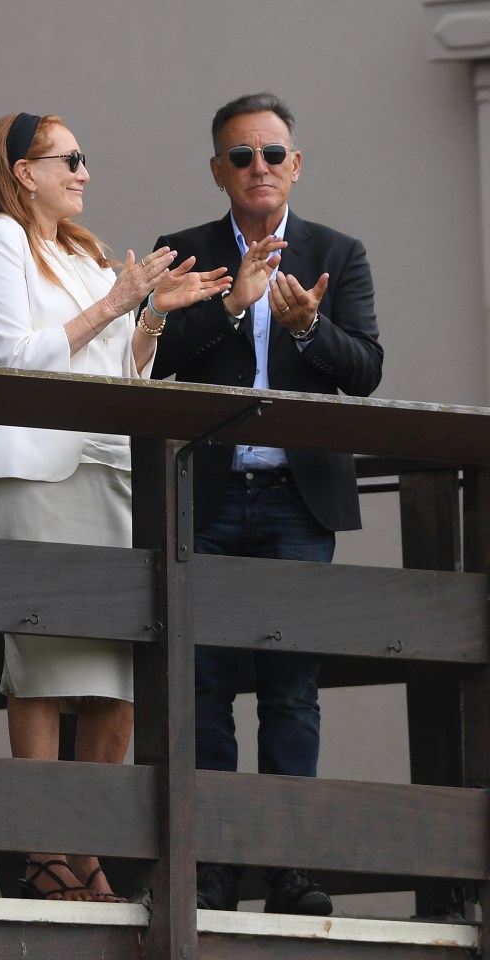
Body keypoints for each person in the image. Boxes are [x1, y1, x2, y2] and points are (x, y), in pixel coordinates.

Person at [0, 112, 231, 903]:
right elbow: (13, 360)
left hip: (111, 467)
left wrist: (149, 316)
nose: (82, 171)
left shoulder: (83, 250)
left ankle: (91, 849)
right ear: (21, 172)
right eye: (68, 159)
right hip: (39, 471)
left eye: (84, 159)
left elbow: (122, 371)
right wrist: (117, 302)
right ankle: (44, 853)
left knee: (119, 674)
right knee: (42, 666)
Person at [150, 92, 383, 915]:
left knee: (291, 690)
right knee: (203, 687)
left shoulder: (337, 252)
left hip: (296, 499)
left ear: (296, 163)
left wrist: (312, 329)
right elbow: (156, 360)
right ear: (219, 169)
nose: (260, 168)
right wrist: (233, 306)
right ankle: (211, 866)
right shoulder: (183, 251)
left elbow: (366, 371)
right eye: (241, 156)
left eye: (273, 153)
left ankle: (291, 865)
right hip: (207, 498)